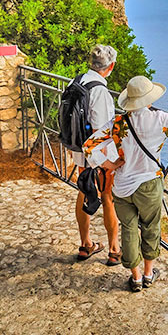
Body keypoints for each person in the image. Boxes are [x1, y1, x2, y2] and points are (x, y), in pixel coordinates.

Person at [83, 75, 168, 292]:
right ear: (148, 100)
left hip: (122, 186)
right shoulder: (161, 119)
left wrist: (109, 164)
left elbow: (89, 146)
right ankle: (149, 273)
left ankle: (135, 277)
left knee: (128, 229)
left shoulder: (117, 123)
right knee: (150, 227)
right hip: (149, 185)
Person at [71, 45, 122, 266]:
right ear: (110, 67)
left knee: (83, 191)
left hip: (78, 150)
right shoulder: (99, 91)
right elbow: (101, 131)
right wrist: (108, 161)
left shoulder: (78, 81)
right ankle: (114, 250)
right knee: (107, 197)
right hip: (96, 155)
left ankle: (86, 245)